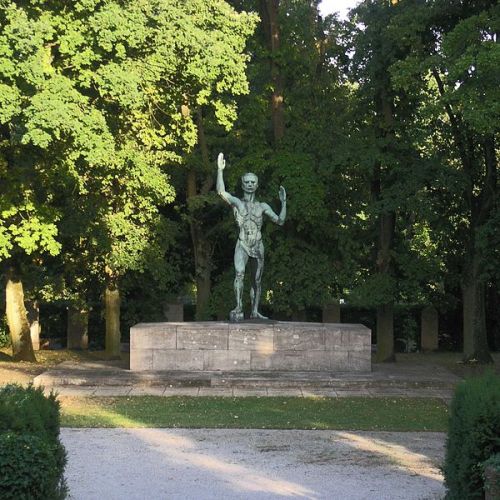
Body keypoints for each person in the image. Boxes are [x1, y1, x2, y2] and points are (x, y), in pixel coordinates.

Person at [216, 152, 286, 321]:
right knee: (239, 274)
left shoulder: (262, 206)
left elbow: (280, 221)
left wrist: (284, 203)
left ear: (256, 185)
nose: (249, 184)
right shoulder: (237, 203)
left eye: (252, 182)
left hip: (258, 245)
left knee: (257, 280)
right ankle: (239, 306)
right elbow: (220, 192)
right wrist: (220, 170)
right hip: (242, 244)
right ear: (242, 184)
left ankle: (255, 311)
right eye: (246, 182)